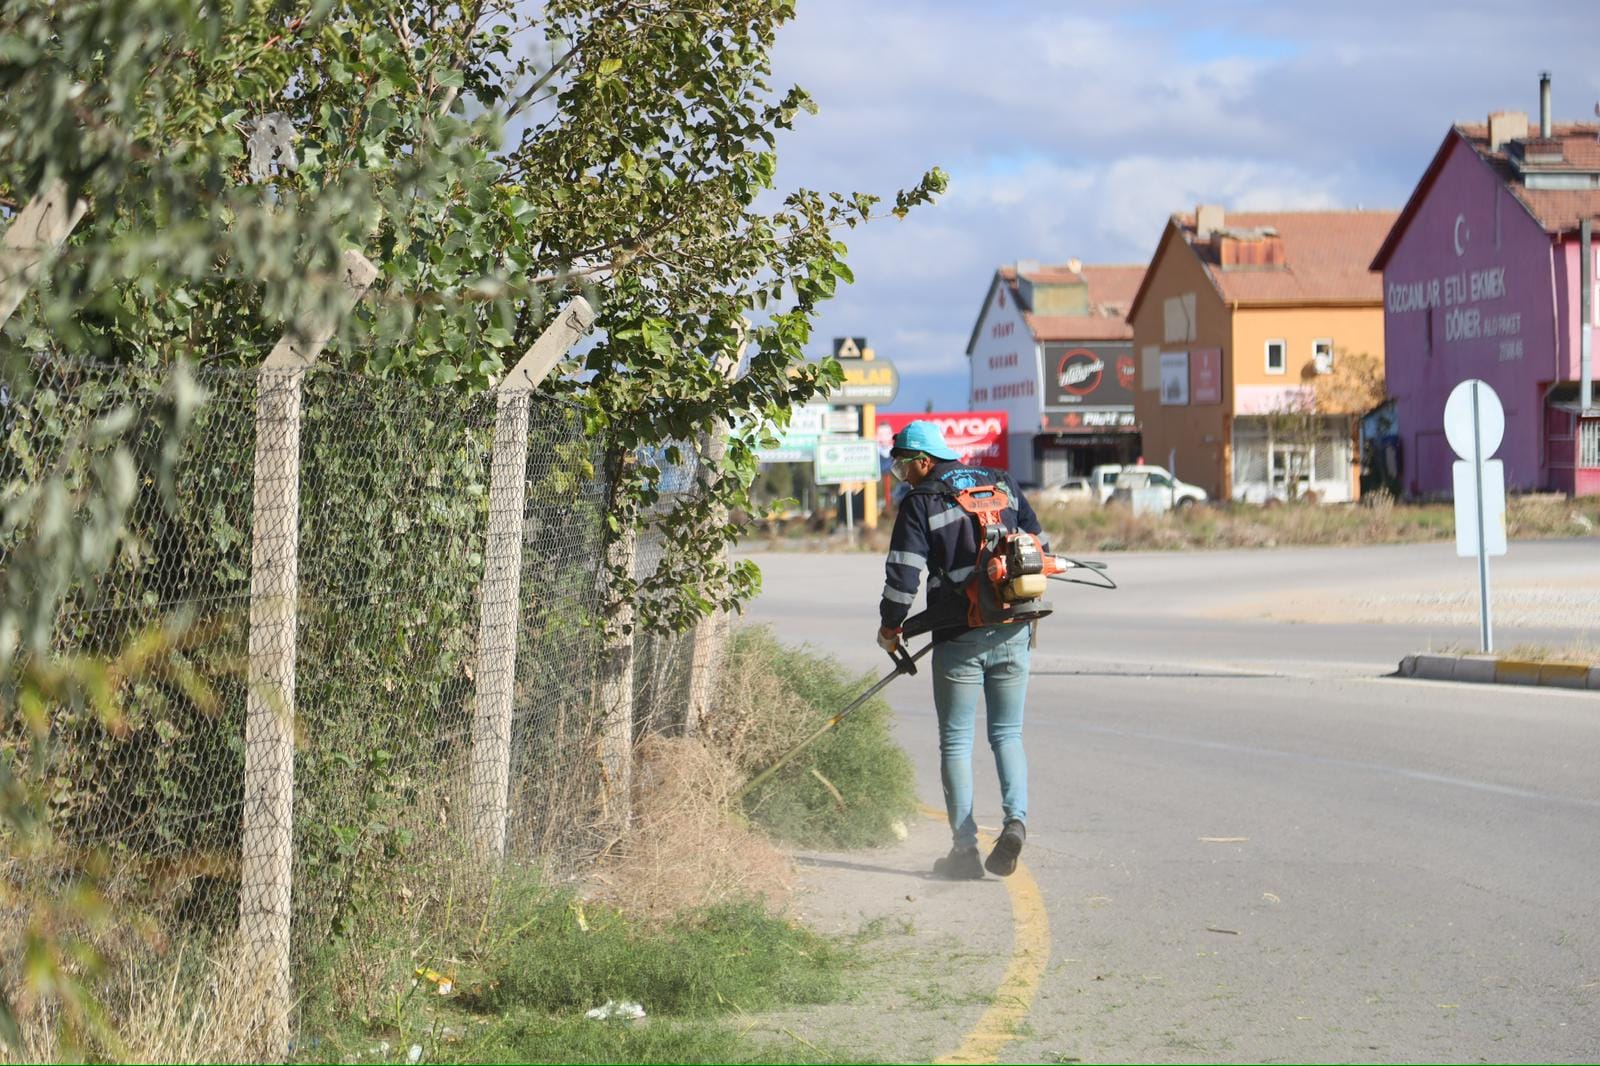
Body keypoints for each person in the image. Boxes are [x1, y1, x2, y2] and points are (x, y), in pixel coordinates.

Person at [877, 420, 1043, 880]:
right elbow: (1040, 546)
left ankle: (965, 852)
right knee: (1007, 735)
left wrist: (891, 628)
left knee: (956, 741)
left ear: (923, 461)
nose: (902, 474)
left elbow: (903, 575)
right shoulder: (1002, 482)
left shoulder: (922, 501)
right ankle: (1016, 822)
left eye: (903, 465)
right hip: (1014, 629)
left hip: (959, 636)